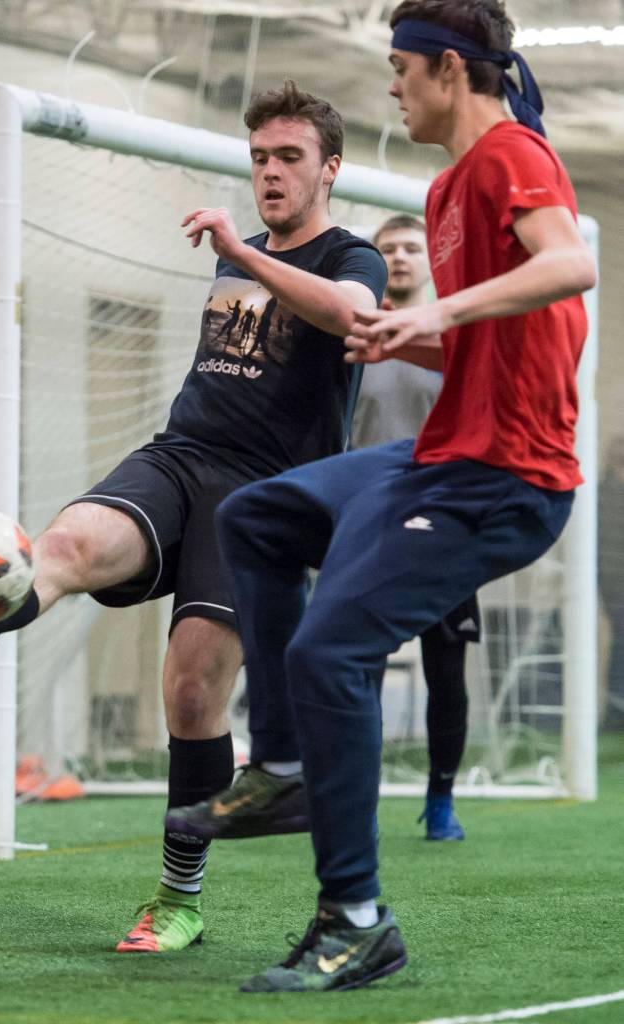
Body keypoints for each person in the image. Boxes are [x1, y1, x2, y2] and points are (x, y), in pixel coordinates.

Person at [167, 0, 595, 994]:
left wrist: (430, 309)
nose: (392, 87)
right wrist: (422, 337)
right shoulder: (445, 190)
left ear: (448, 71)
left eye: (400, 69)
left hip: (507, 477)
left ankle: (354, 920)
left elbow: (568, 265)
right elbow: (497, 337)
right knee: (257, 514)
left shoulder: (506, 156)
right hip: (442, 453)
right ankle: (277, 767)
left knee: (329, 648)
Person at [0, 82, 387, 954]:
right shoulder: (232, 258)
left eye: (288, 158)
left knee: (192, 686)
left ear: (330, 169)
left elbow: (353, 319)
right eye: (260, 158)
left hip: (267, 499)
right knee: (65, 545)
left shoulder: (353, 257)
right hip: (178, 455)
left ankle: (178, 899)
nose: (270, 172)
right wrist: (239, 253)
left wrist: (247, 250)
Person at [350, 213, 479, 841]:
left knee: (446, 666)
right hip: (368, 520)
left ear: (429, 260)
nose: (399, 258)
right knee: (359, 664)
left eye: (410, 248)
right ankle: (359, 797)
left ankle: (441, 798)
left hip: (445, 521)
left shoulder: (454, 338)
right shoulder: (353, 341)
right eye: (388, 249)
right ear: (375, 261)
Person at [598, 435, 624, 730]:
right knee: (619, 650)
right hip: (616, 589)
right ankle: (615, 716)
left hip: (611, 588)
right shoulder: (605, 495)